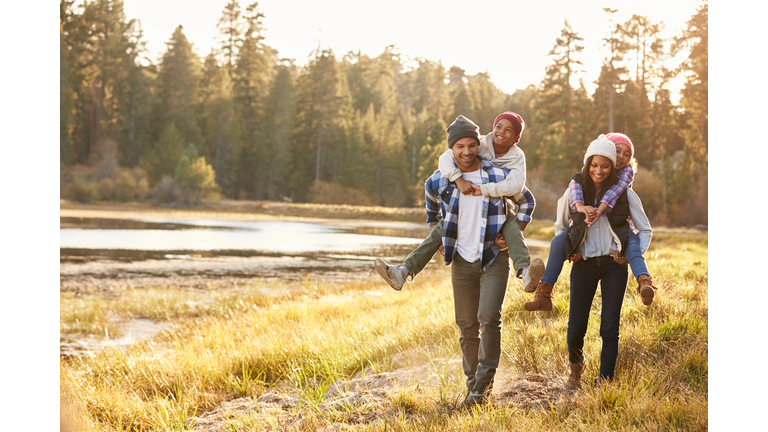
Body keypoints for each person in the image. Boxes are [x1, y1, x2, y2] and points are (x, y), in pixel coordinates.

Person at [374, 112, 544, 293]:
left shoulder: (516, 159)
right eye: (498, 126)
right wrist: (458, 179)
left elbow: (520, 188)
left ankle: (525, 272)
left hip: (500, 209)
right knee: (442, 227)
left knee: (511, 225)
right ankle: (403, 272)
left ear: (517, 138)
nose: (501, 132)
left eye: (508, 130)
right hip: (464, 210)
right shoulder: (480, 145)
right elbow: (446, 158)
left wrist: (513, 230)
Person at [413, 115, 513, 407]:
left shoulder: (495, 175)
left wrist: (516, 228)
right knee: (467, 325)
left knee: (489, 317)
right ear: (451, 149)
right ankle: (474, 387)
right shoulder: (442, 178)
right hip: (461, 259)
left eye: (471, 145)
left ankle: (483, 385)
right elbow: (429, 195)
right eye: (460, 146)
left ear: (478, 146)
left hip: (493, 256)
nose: (467, 152)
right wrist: (436, 228)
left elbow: (526, 200)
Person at [550, 136, 652, 389]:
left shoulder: (626, 194)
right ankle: (575, 371)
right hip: (583, 264)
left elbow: (645, 230)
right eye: (595, 165)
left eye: (605, 165)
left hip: (613, 266)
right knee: (575, 326)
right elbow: (560, 226)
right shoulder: (575, 191)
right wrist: (570, 250)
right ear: (588, 164)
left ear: (611, 167)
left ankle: (605, 379)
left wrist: (628, 255)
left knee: (609, 326)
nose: (599, 170)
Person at [523, 132, 657, 312]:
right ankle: (544, 291)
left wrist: (599, 210)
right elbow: (562, 221)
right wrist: (571, 249)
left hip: (620, 237)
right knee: (557, 242)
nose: (621, 157)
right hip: (585, 252)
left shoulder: (624, 183)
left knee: (632, 246)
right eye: (617, 151)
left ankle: (644, 281)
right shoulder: (578, 183)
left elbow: (617, 196)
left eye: (627, 154)